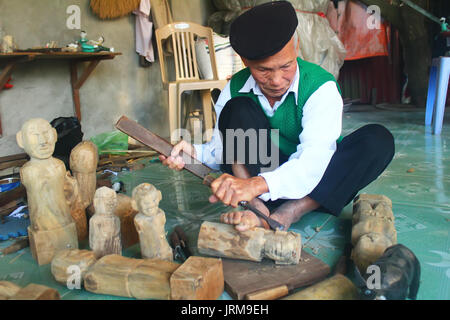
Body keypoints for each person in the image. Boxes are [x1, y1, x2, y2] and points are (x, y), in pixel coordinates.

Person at [160, 1, 394, 232]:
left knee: (377, 141)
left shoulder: (320, 86)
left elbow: (314, 160)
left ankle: (291, 211)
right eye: (263, 70)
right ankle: (257, 209)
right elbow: (223, 149)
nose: (276, 80)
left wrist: (254, 185)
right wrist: (193, 154)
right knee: (237, 109)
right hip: (261, 181)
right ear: (245, 62)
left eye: (286, 66)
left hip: (314, 184)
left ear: (297, 46)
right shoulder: (234, 89)